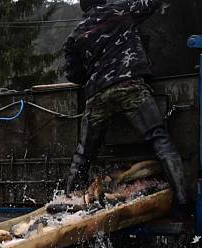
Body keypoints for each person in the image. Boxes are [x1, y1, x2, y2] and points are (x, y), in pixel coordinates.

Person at [63, 0, 187, 212]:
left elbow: (74, 74)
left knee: (82, 156)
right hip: (129, 86)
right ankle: (183, 200)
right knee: (160, 140)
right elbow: (150, 3)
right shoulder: (120, 10)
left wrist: (97, 76)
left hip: (97, 96)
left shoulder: (75, 35)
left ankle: (68, 206)